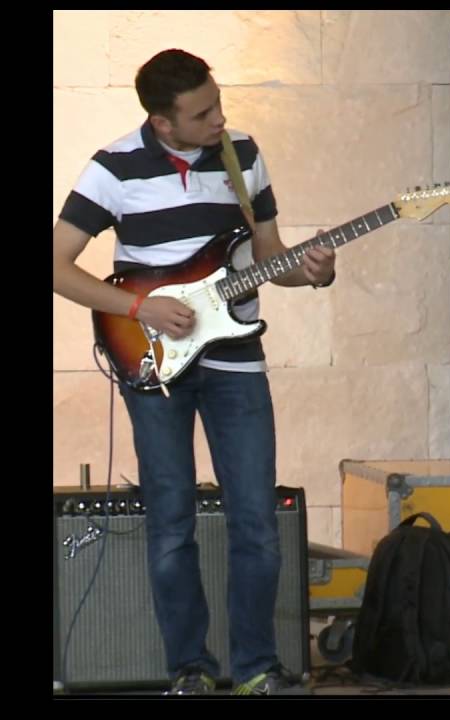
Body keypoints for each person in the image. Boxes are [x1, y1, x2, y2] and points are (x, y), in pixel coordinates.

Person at [52, 49, 334, 694]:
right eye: (202, 112)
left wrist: (310, 271)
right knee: (171, 521)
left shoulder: (243, 152)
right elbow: (59, 264)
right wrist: (138, 304)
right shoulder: (113, 168)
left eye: (218, 102)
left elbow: (269, 257)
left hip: (238, 361)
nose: (219, 118)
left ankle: (258, 668)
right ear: (162, 120)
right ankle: (191, 670)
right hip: (152, 360)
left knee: (257, 523)